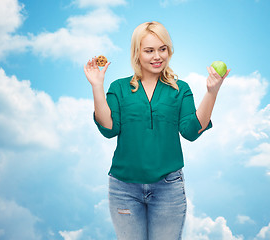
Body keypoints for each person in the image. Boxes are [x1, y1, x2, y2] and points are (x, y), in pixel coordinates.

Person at [84, 21, 230, 240]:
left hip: (168, 188)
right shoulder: (119, 87)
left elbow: (191, 131)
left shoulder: (180, 89)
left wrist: (212, 92)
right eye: (149, 50)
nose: (157, 56)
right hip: (124, 188)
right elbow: (109, 129)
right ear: (137, 53)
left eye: (162, 49)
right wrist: (97, 85)